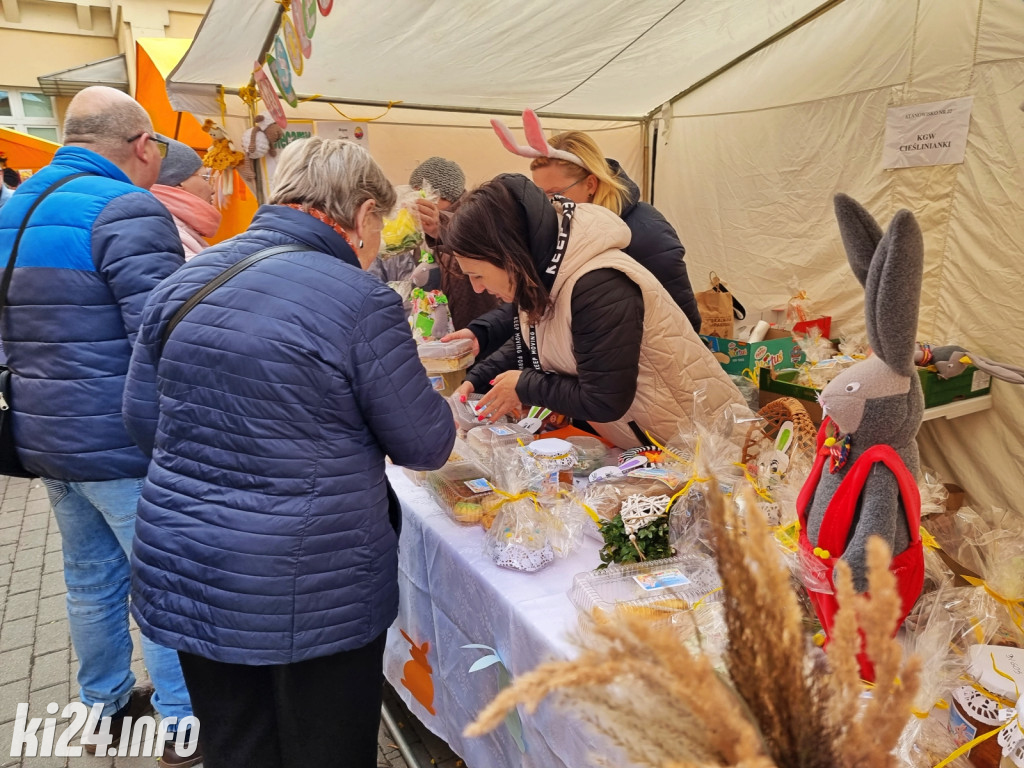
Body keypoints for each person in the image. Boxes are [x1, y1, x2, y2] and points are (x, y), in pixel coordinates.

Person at [124, 137, 457, 768]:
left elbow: (142, 423)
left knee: (235, 745)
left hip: (192, 566)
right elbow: (425, 442)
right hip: (315, 580)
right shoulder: (360, 300)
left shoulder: (188, 278)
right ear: (361, 216)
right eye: (378, 227)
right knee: (325, 749)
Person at [0, 86, 198, 767]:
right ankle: (180, 722)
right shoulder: (127, 207)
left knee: (88, 577)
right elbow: (168, 333)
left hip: (44, 437)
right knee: (165, 581)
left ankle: (104, 705)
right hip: (124, 439)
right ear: (143, 145)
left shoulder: (14, 206)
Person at [446, 174, 744, 448]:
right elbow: (534, 336)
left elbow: (605, 398)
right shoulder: (545, 272)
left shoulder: (597, 284)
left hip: (704, 447)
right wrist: (480, 375)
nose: (477, 288)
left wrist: (525, 386)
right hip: (652, 444)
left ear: (510, 256)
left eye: (478, 275)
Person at [447, 131, 703, 359]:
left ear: (591, 184)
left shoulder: (647, 233)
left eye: (554, 194)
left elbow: (684, 322)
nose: (545, 206)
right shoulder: (564, 233)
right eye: (539, 195)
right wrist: (484, 331)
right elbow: (541, 299)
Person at [408, 156, 500, 330]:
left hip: (478, 323)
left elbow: (471, 243)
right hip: (437, 323)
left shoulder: (475, 217)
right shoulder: (420, 227)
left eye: (421, 193)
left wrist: (439, 228)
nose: (417, 202)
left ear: (444, 195)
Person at [150, 137, 221, 260]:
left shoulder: (166, 225)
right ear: (178, 183)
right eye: (205, 178)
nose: (212, 189)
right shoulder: (167, 233)